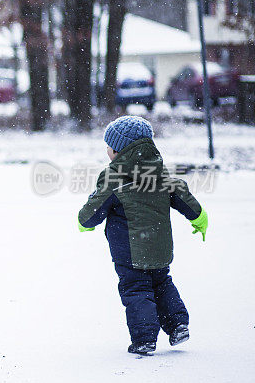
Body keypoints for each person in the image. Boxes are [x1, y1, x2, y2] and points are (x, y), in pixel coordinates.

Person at [77, 116, 208, 355]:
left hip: (129, 250)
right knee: (161, 283)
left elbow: (94, 210)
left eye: (108, 146)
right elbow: (182, 195)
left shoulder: (113, 178)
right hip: (159, 246)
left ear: (117, 150)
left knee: (136, 289)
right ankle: (178, 324)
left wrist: (84, 222)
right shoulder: (158, 174)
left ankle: (145, 338)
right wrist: (199, 219)